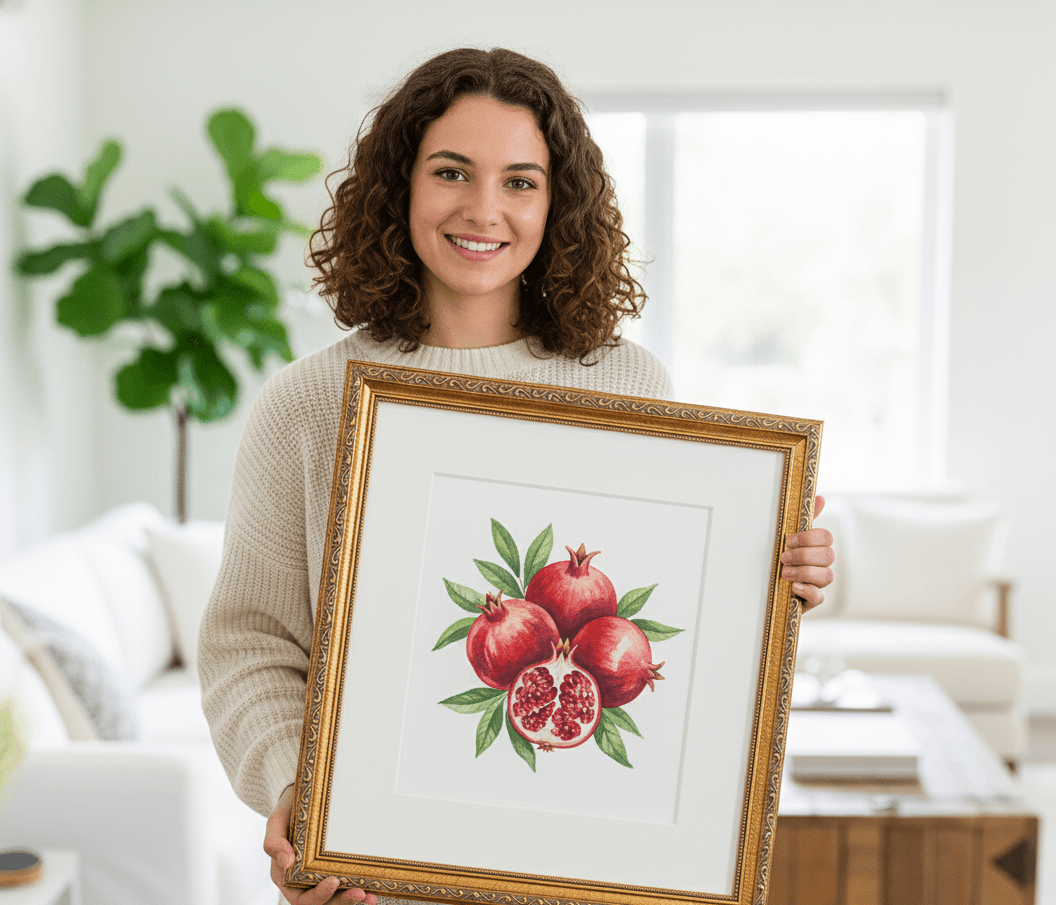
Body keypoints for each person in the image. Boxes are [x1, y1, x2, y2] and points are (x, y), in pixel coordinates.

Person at [198, 47, 835, 905]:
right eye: (452, 171)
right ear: (401, 186)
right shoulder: (308, 403)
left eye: (522, 181)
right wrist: (293, 794)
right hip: (378, 884)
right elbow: (250, 641)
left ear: (558, 202)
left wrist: (774, 576)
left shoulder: (631, 386)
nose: (484, 209)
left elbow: (667, 630)